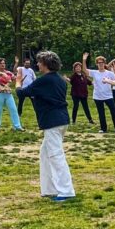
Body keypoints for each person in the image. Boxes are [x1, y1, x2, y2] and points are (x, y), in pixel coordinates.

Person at [18, 50, 75, 201]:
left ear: (46, 64)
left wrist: (18, 82)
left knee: (56, 155)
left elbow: (22, 93)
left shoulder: (45, 80)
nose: (37, 64)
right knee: (45, 154)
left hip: (52, 121)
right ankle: (49, 189)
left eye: (39, 62)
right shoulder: (60, 80)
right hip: (60, 120)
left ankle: (66, 191)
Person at [82, 53, 115, 133]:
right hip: (97, 96)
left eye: (102, 62)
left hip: (108, 96)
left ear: (104, 63)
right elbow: (85, 70)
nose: (100, 64)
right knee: (101, 113)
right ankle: (103, 129)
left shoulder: (109, 73)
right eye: (99, 63)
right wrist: (84, 60)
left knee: (114, 111)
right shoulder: (94, 72)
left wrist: (109, 81)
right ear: (97, 64)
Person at [0, 58, 23, 132]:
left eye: (4, 63)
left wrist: (20, 80)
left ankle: (17, 126)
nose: (3, 64)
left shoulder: (8, 73)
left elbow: (15, 78)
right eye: (1, 63)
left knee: (13, 109)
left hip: (8, 93)